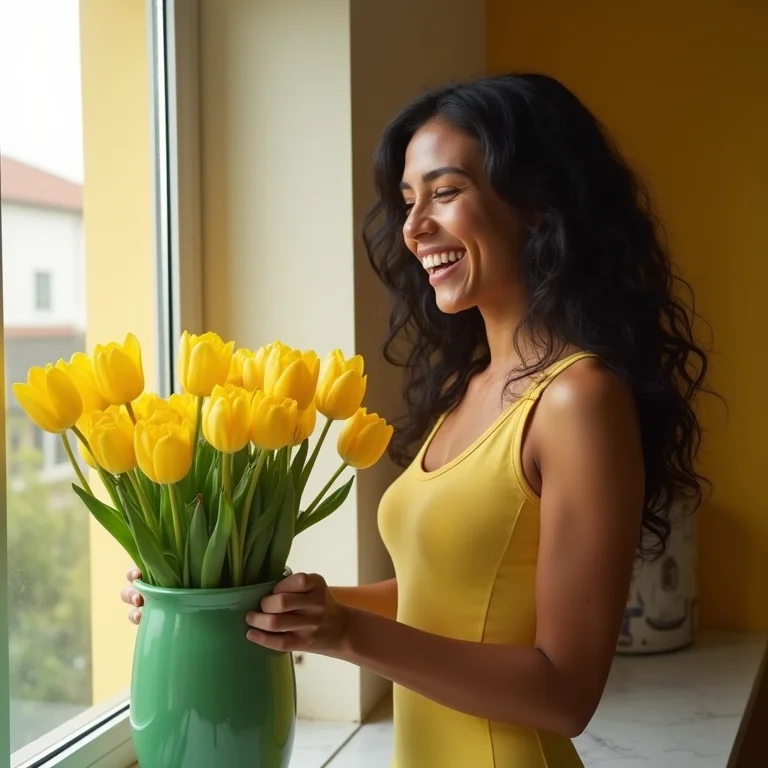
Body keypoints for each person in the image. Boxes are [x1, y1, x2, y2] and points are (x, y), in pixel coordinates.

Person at [121, 73, 710, 766]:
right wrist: (243, 602)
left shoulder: (578, 399)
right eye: (408, 201)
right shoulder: (472, 385)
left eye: (446, 191)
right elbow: (450, 595)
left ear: (537, 205)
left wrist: (346, 636)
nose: (413, 227)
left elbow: (565, 692)